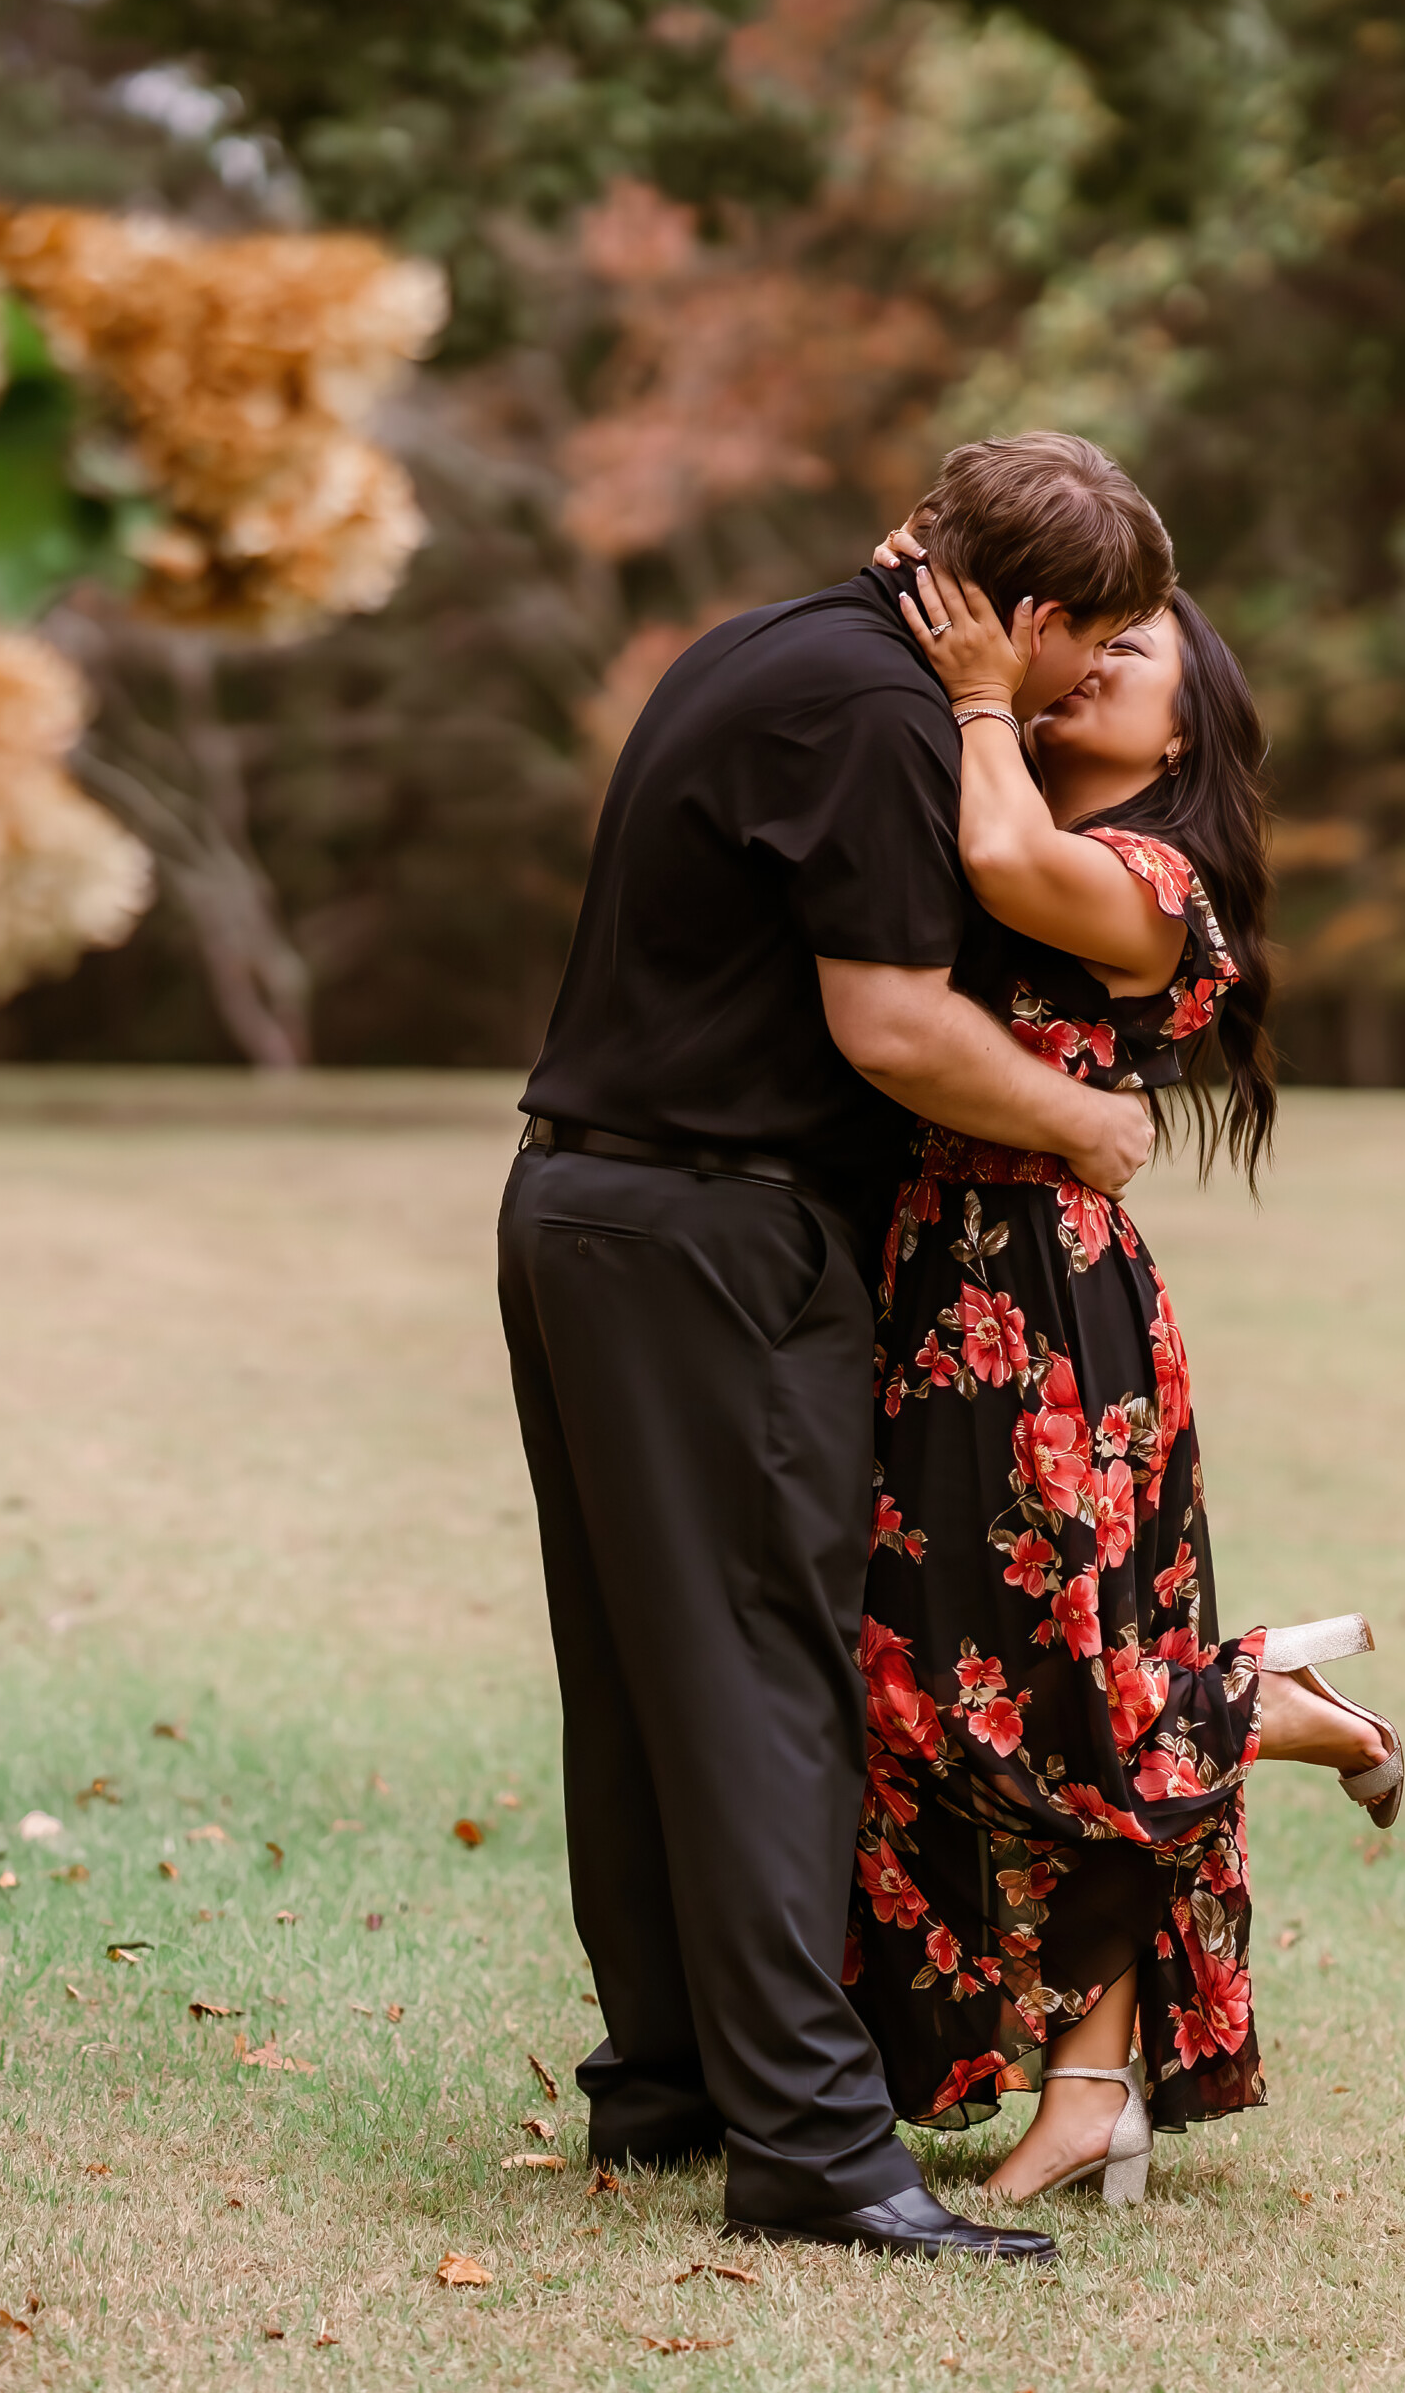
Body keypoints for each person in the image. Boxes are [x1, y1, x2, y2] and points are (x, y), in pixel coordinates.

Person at [497, 433, 1170, 2261]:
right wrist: (1078, 1124)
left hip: (587, 1208)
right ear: (1021, 613)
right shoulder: (879, 713)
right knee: (766, 1677)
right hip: (722, 1231)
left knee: (646, 1679)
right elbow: (890, 1025)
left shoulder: (755, 645)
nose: (1079, 684)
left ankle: (667, 2088)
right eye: (1084, 644)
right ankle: (806, 2146)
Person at [847, 536, 1404, 2206]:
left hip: (1051, 1302)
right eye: (1088, 637)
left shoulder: (1156, 885)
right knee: (919, 1685)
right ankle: (1090, 2081)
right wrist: (923, 578)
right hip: (922, 1282)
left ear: (1181, 740)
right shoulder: (995, 778)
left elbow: (1006, 858)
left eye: (1137, 654)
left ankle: (1267, 1714)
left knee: (1058, 1694)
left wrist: (972, 691)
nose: (1095, 663)